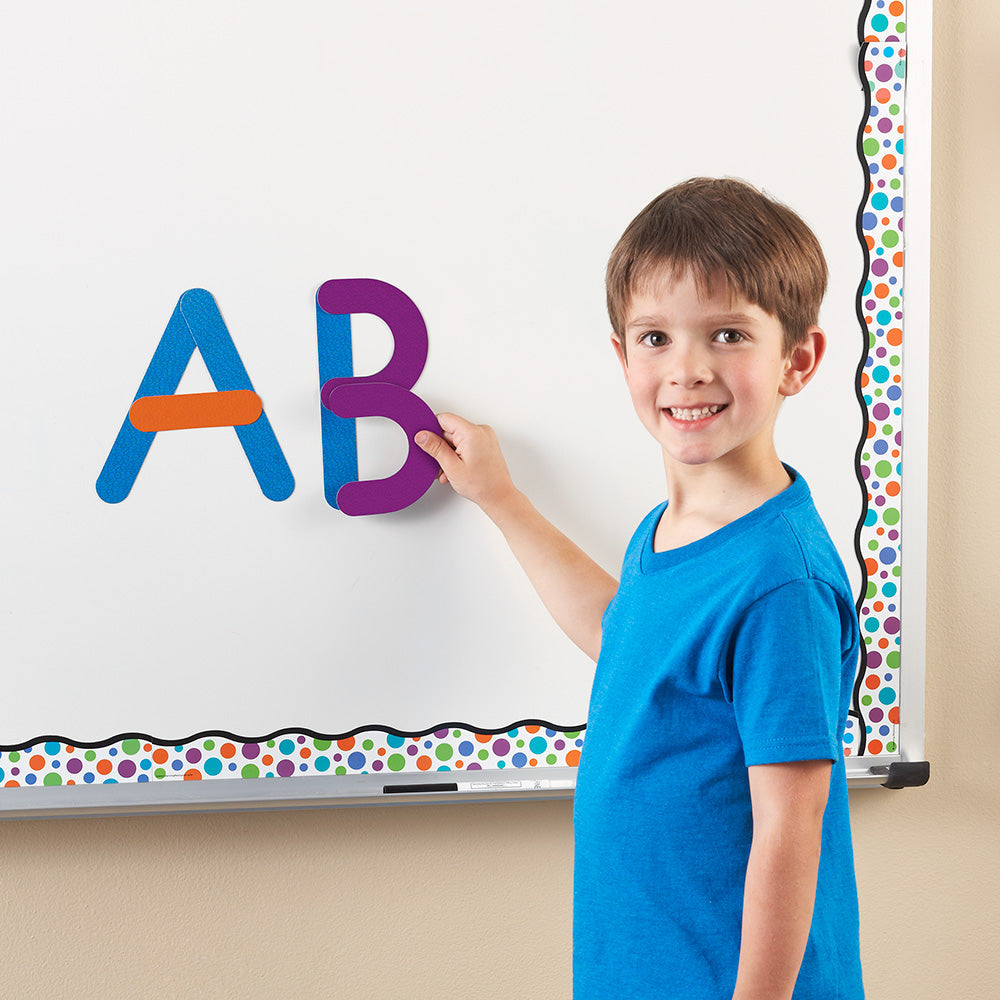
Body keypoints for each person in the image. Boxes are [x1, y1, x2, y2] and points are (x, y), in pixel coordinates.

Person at [415, 177, 864, 1000]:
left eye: (726, 334)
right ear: (622, 355)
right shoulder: (669, 532)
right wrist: (501, 500)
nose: (687, 369)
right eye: (655, 338)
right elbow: (624, 636)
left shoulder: (778, 583)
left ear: (797, 360)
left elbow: (790, 828)